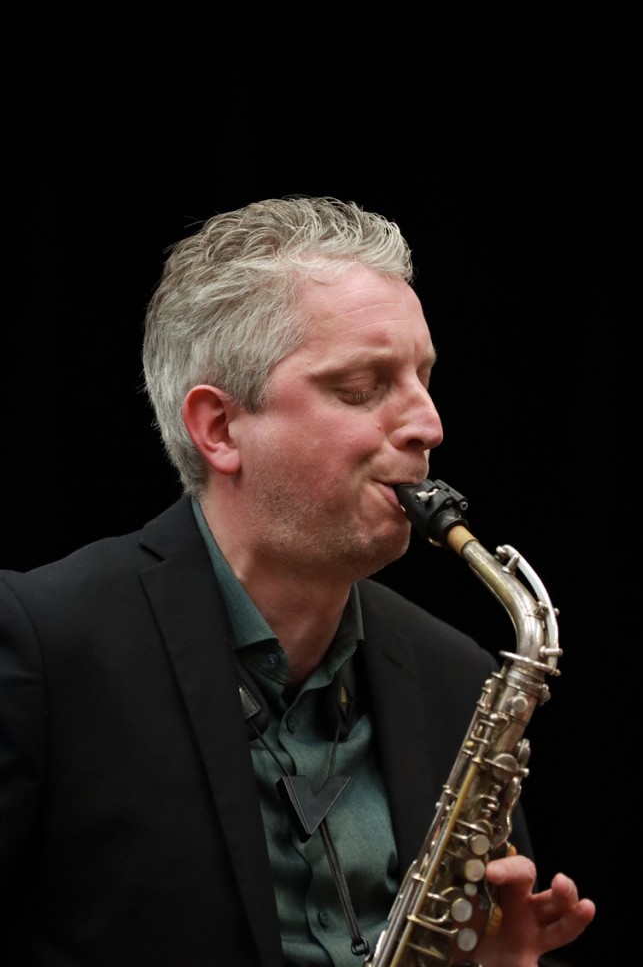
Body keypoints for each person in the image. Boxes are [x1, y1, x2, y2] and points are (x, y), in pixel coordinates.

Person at [0, 196, 595, 967]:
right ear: (219, 428)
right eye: (361, 388)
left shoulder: (455, 675)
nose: (428, 425)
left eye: (422, 378)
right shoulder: (45, 645)